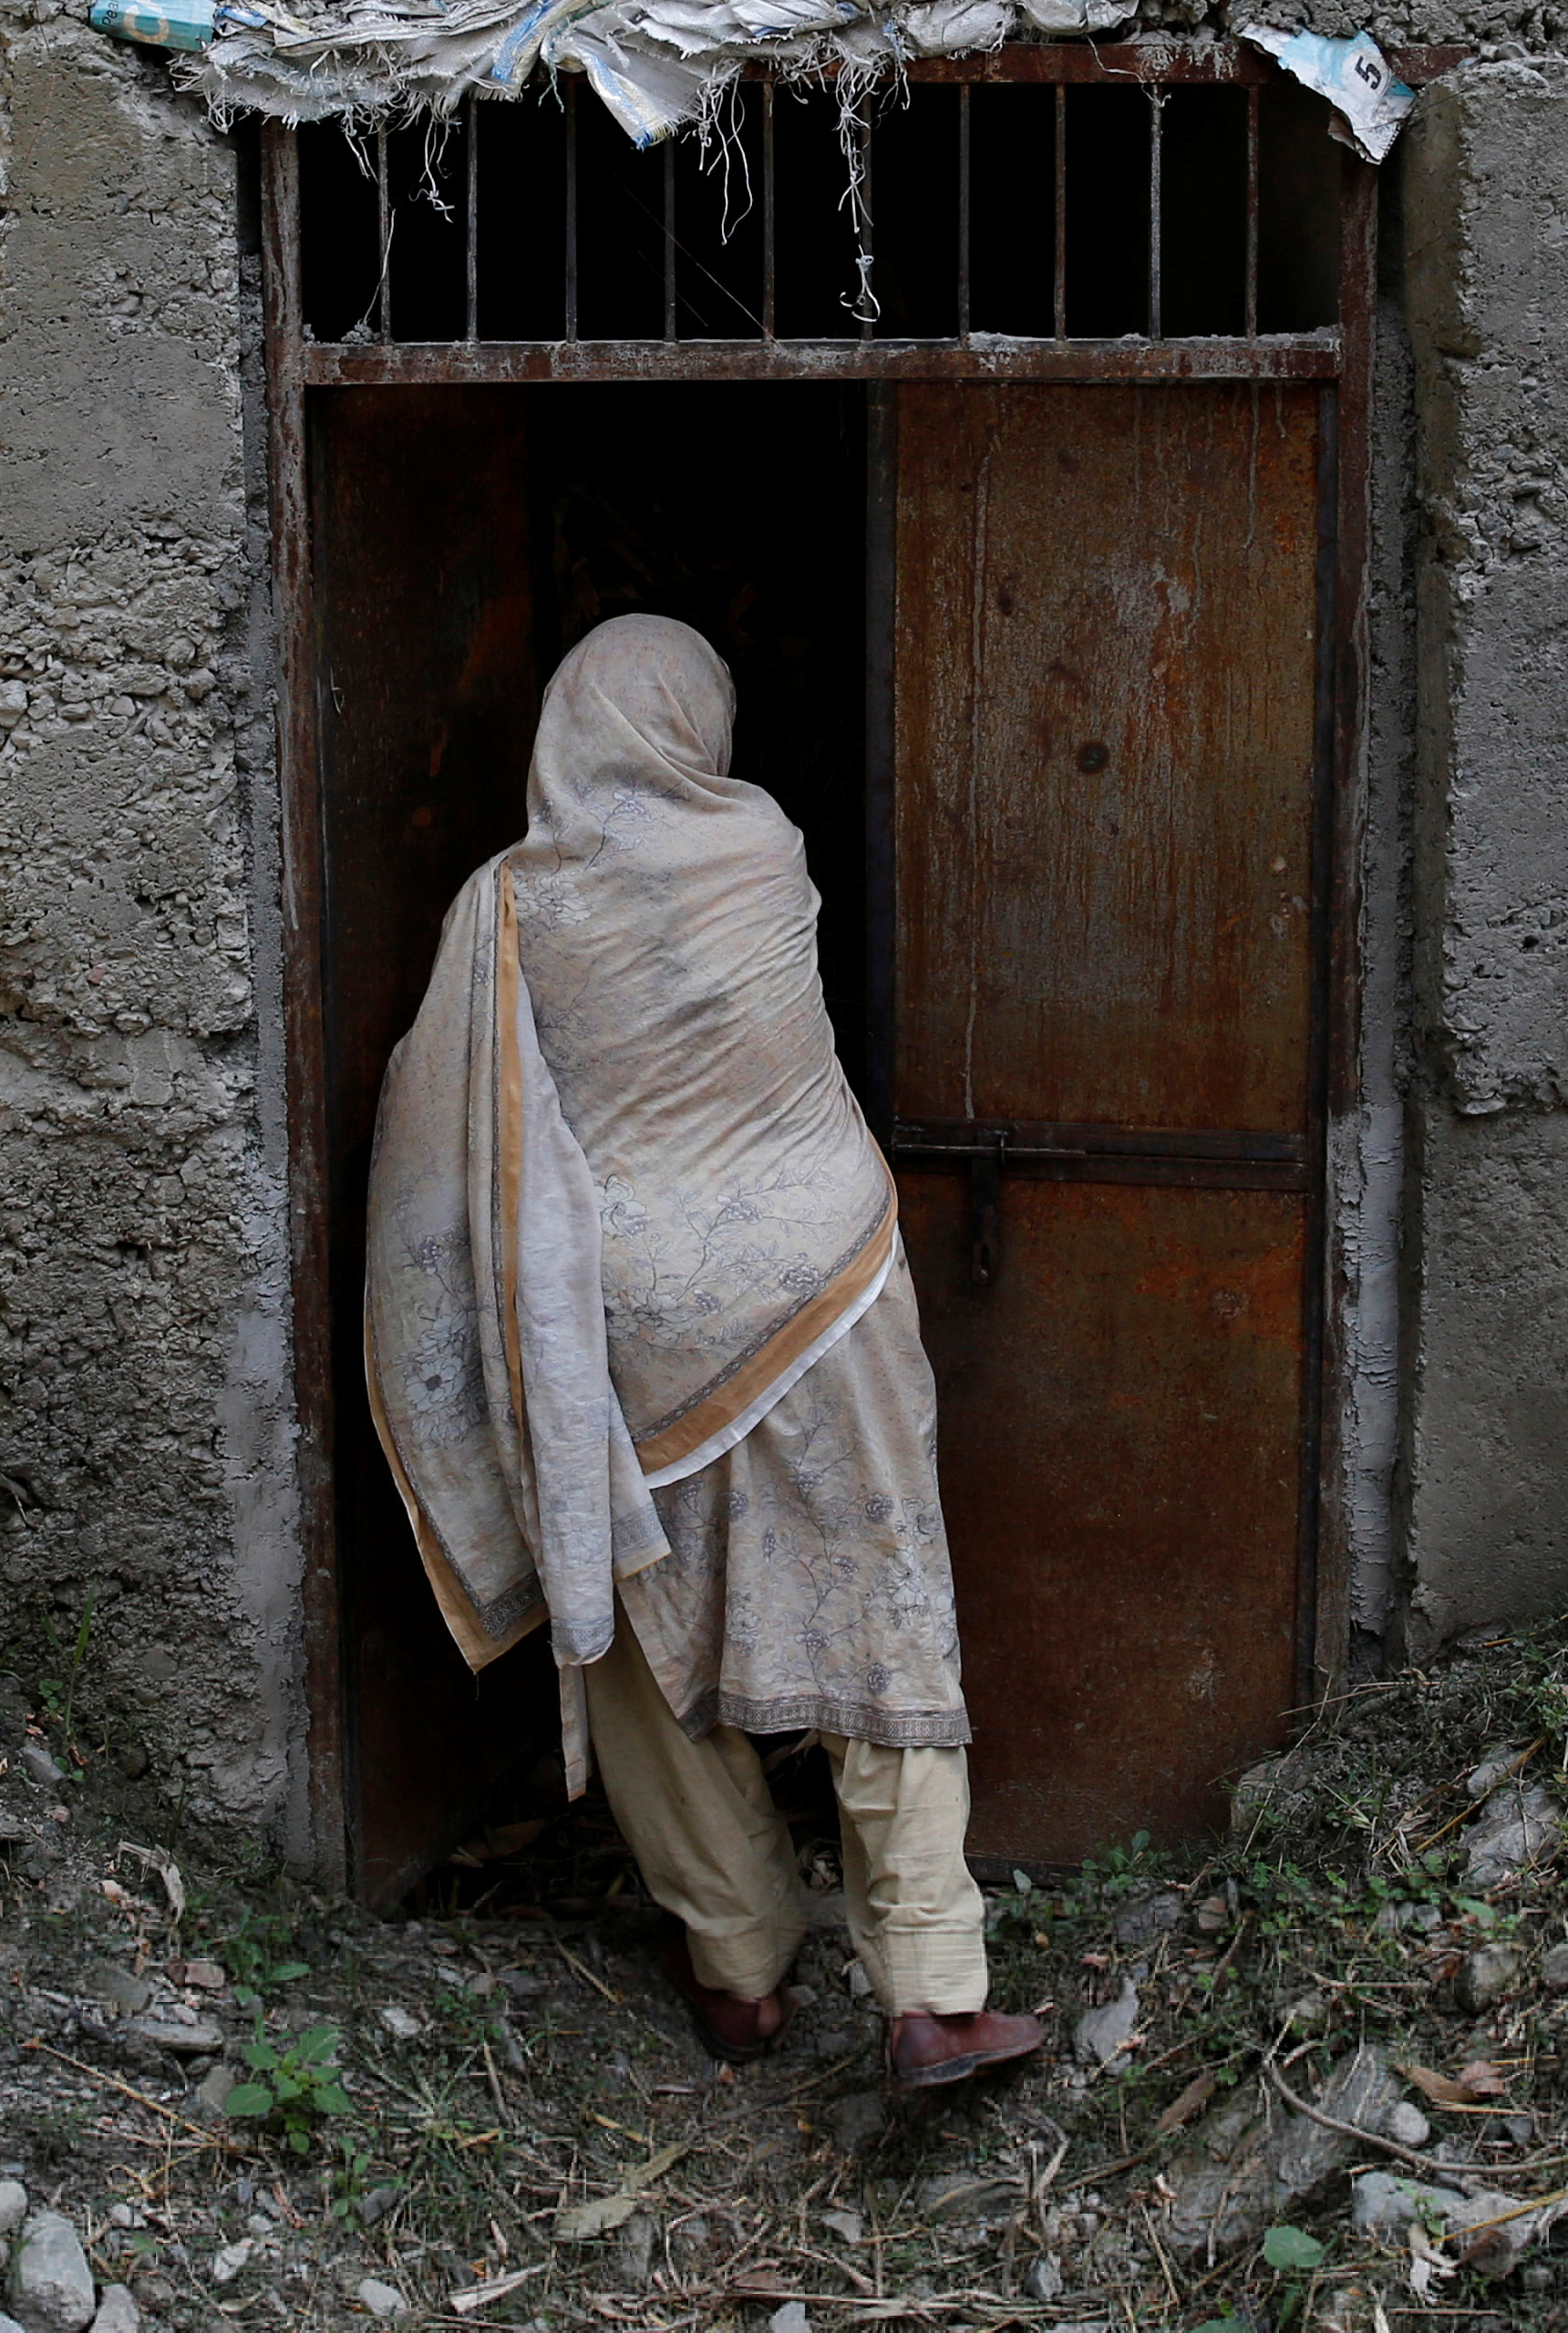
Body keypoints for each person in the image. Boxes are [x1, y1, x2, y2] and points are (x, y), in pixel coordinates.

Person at [362, 614, 1043, 2092]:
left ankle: (736, 1964)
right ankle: (930, 1990)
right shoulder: (764, 850)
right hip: (825, 1279)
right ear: (699, 728)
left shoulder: (507, 907)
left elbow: (444, 1102)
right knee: (881, 1594)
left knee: (628, 1610)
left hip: (630, 1319)